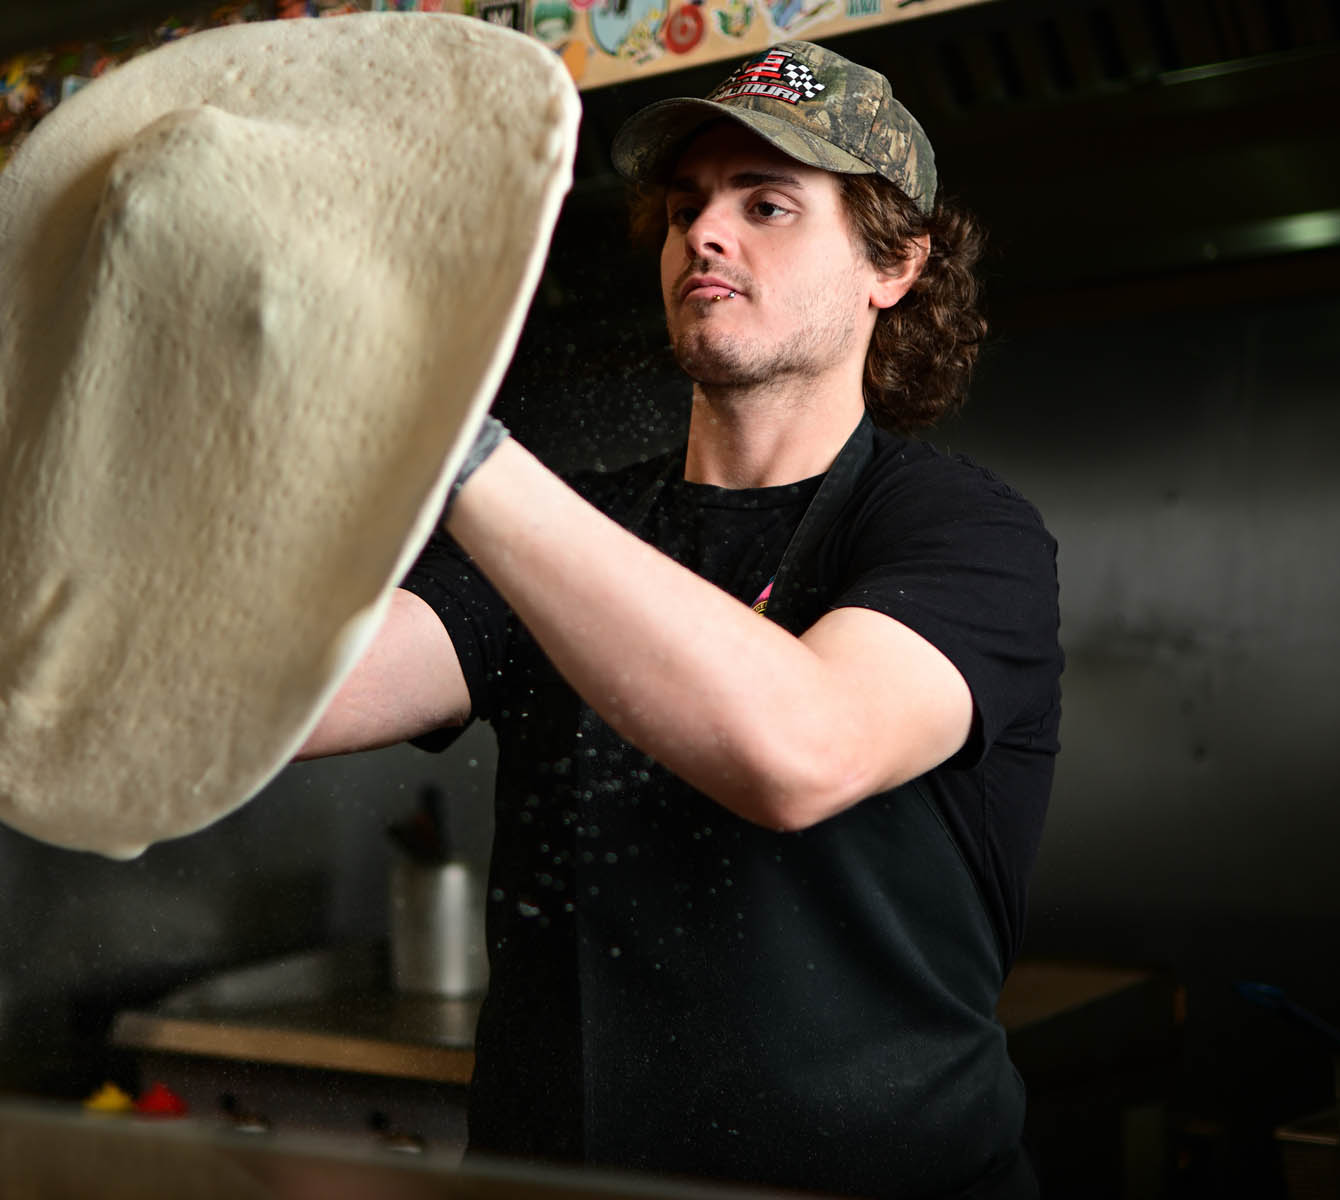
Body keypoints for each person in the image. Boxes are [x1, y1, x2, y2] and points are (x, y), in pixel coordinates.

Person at [300, 40, 1062, 1200]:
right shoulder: (567, 523)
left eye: (768, 204)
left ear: (893, 265)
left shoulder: (962, 534)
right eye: (686, 206)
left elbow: (799, 751)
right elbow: (293, 696)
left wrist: (453, 443)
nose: (706, 234)